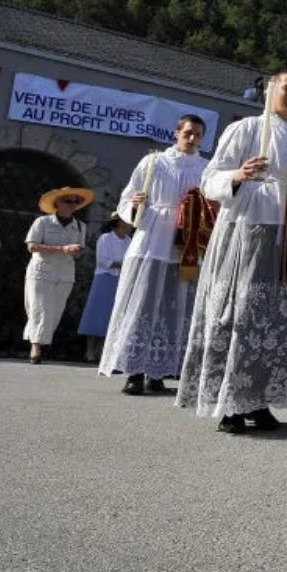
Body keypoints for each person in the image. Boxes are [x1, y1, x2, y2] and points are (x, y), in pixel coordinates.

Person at [176, 70, 287, 433]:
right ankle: (231, 404)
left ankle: (260, 400)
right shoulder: (246, 129)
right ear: (270, 90)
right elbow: (209, 178)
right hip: (248, 227)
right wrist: (238, 176)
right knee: (242, 314)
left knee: (281, 319)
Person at [101, 114, 210, 395]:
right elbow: (128, 197)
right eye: (187, 132)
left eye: (198, 134)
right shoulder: (153, 162)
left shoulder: (206, 168)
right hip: (152, 237)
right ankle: (134, 371)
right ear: (176, 133)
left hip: (184, 245)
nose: (192, 138)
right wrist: (136, 204)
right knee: (142, 303)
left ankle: (160, 370)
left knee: (173, 307)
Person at [23, 187, 92, 364]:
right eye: (68, 201)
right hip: (41, 272)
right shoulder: (42, 222)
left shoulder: (80, 226)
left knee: (55, 312)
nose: (72, 205)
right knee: (40, 309)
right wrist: (61, 249)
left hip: (65, 274)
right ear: (57, 203)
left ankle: (38, 340)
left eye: (76, 202)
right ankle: (35, 347)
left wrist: (77, 251)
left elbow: (78, 251)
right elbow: (32, 246)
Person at [77, 214, 132, 360]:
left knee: (110, 316)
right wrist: (123, 264)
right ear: (119, 222)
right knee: (96, 313)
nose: (131, 225)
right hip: (104, 279)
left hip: (121, 280)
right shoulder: (105, 238)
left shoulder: (129, 241)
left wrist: (124, 265)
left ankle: (102, 351)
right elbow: (103, 261)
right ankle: (89, 350)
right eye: (128, 221)